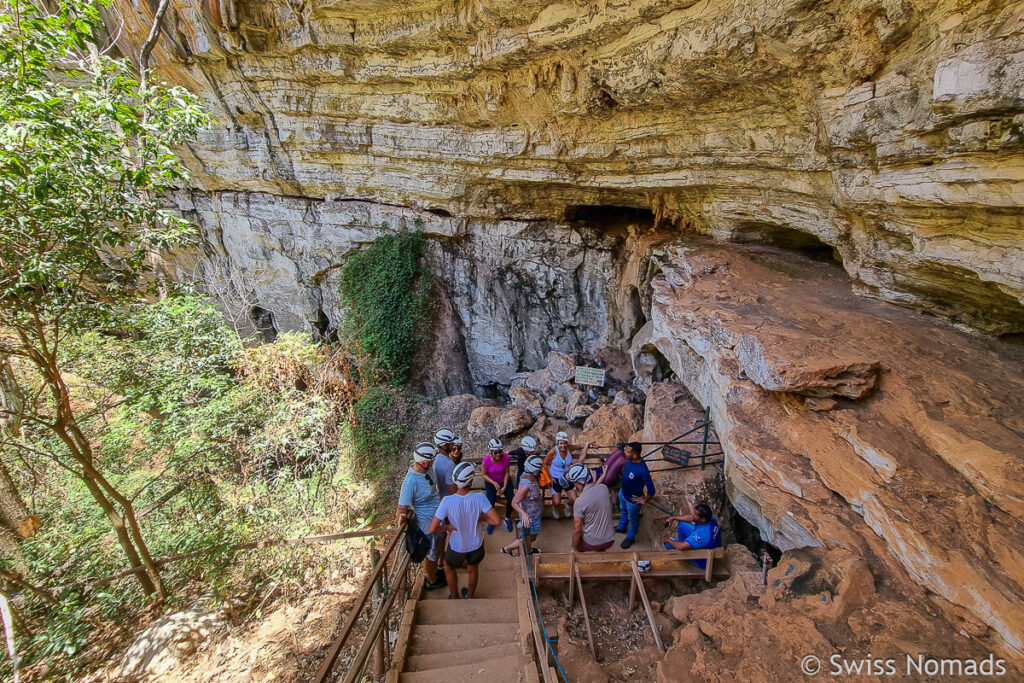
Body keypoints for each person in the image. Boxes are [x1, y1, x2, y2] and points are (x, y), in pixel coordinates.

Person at [429, 462, 501, 599]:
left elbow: (432, 529)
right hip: (476, 545)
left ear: (455, 481)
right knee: (473, 568)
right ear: (471, 481)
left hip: (457, 546)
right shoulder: (479, 497)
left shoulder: (447, 501)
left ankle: (454, 595)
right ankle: (469, 596)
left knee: (448, 566)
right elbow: (497, 521)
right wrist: (481, 518)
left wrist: (447, 527)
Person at [396, 442, 446, 590]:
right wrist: (402, 516)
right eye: (432, 460)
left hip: (438, 514)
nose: (433, 462)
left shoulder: (427, 469)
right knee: (430, 551)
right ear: (424, 462)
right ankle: (431, 580)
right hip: (426, 521)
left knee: (440, 543)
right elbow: (402, 507)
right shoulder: (410, 482)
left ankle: (438, 567)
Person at [502, 455, 545, 557]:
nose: (540, 472)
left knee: (531, 536)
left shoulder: (526, 476)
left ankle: (528, 547)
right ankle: (507, 548)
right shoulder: (526, 487)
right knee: (530, 537)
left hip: (534, 513)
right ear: (534, 471)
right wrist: (524, 514)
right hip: (530, 516)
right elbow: (514, 502)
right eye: (538, 470)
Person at [615, 441, 655, 549]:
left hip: (633, 500)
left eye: (627, 452)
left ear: (635, 455)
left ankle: (630, 536)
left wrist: (645, 500)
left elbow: (651, 489)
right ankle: (622, 526)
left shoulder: (642, 470)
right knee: (623, 511)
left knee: (633, 519)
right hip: (623, 493)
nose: (625, 453)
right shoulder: (629, 461)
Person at [568, 464, 615, 553]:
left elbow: (577, 529)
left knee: (578, 544)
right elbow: (596, 486)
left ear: (580, 482)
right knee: (601, 545)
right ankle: (601, 552)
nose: (574, 485)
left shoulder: (579, 502)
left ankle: (580, 556)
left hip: (591, 543)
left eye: (575, 483)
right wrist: (603, 475)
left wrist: (574, 547)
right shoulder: (604, 488)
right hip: (610, 539)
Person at [663, 502, 722, 569]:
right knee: (682, 524)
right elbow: (691, 518)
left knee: (668, 544)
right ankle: (686, 543)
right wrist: (673, 518)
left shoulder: (702, 534)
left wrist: (668, 540)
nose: (692, 515)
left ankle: (685, 548)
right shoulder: (711, 519)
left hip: (703, 560)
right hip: (705, 545)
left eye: (695, 515)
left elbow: (681, 547)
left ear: (703, 519)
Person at [543, 431, 587, 519]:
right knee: (556, 502)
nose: (563, 445)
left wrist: (590, 445)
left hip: (568, 477)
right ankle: (555, 508)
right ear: (558, 443)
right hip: (555, 478)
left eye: (565, 443)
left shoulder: (569, 448)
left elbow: (580, 446)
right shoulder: (553, 451)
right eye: (561, 443)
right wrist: (550, 477)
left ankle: (568, 505)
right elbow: (545, 464)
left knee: (575, 499)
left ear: (567, 443)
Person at [481, 438, 515, 534]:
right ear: (491, 452)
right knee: (490, 501)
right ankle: (491, 520)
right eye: (495, 453)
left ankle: (507, 518)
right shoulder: (486, 460)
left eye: (500, 452)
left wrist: (504, 486)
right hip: (491, 481)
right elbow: (484, 475)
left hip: (502, 480)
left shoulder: (505, 458)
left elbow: (507, 472)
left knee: (511, 498)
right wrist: (494, 483)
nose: (498, 454)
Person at [596, 443, 627, 514]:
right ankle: (627, 479)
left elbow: (582, 456)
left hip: (601, 470)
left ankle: (622, 474)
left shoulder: (575, 469)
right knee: (621, 460)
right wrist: (604, 474)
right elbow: (595, 485)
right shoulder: (578, 480)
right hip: (603, 479)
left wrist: (587, 445)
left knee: (619, 452)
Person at [432, 428, 459, 500]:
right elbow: (453, 490)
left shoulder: (435, 458)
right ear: (444, 446)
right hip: (450, 499)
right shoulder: (449, 465)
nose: (453, 444)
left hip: (441, 497)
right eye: (451, 443)